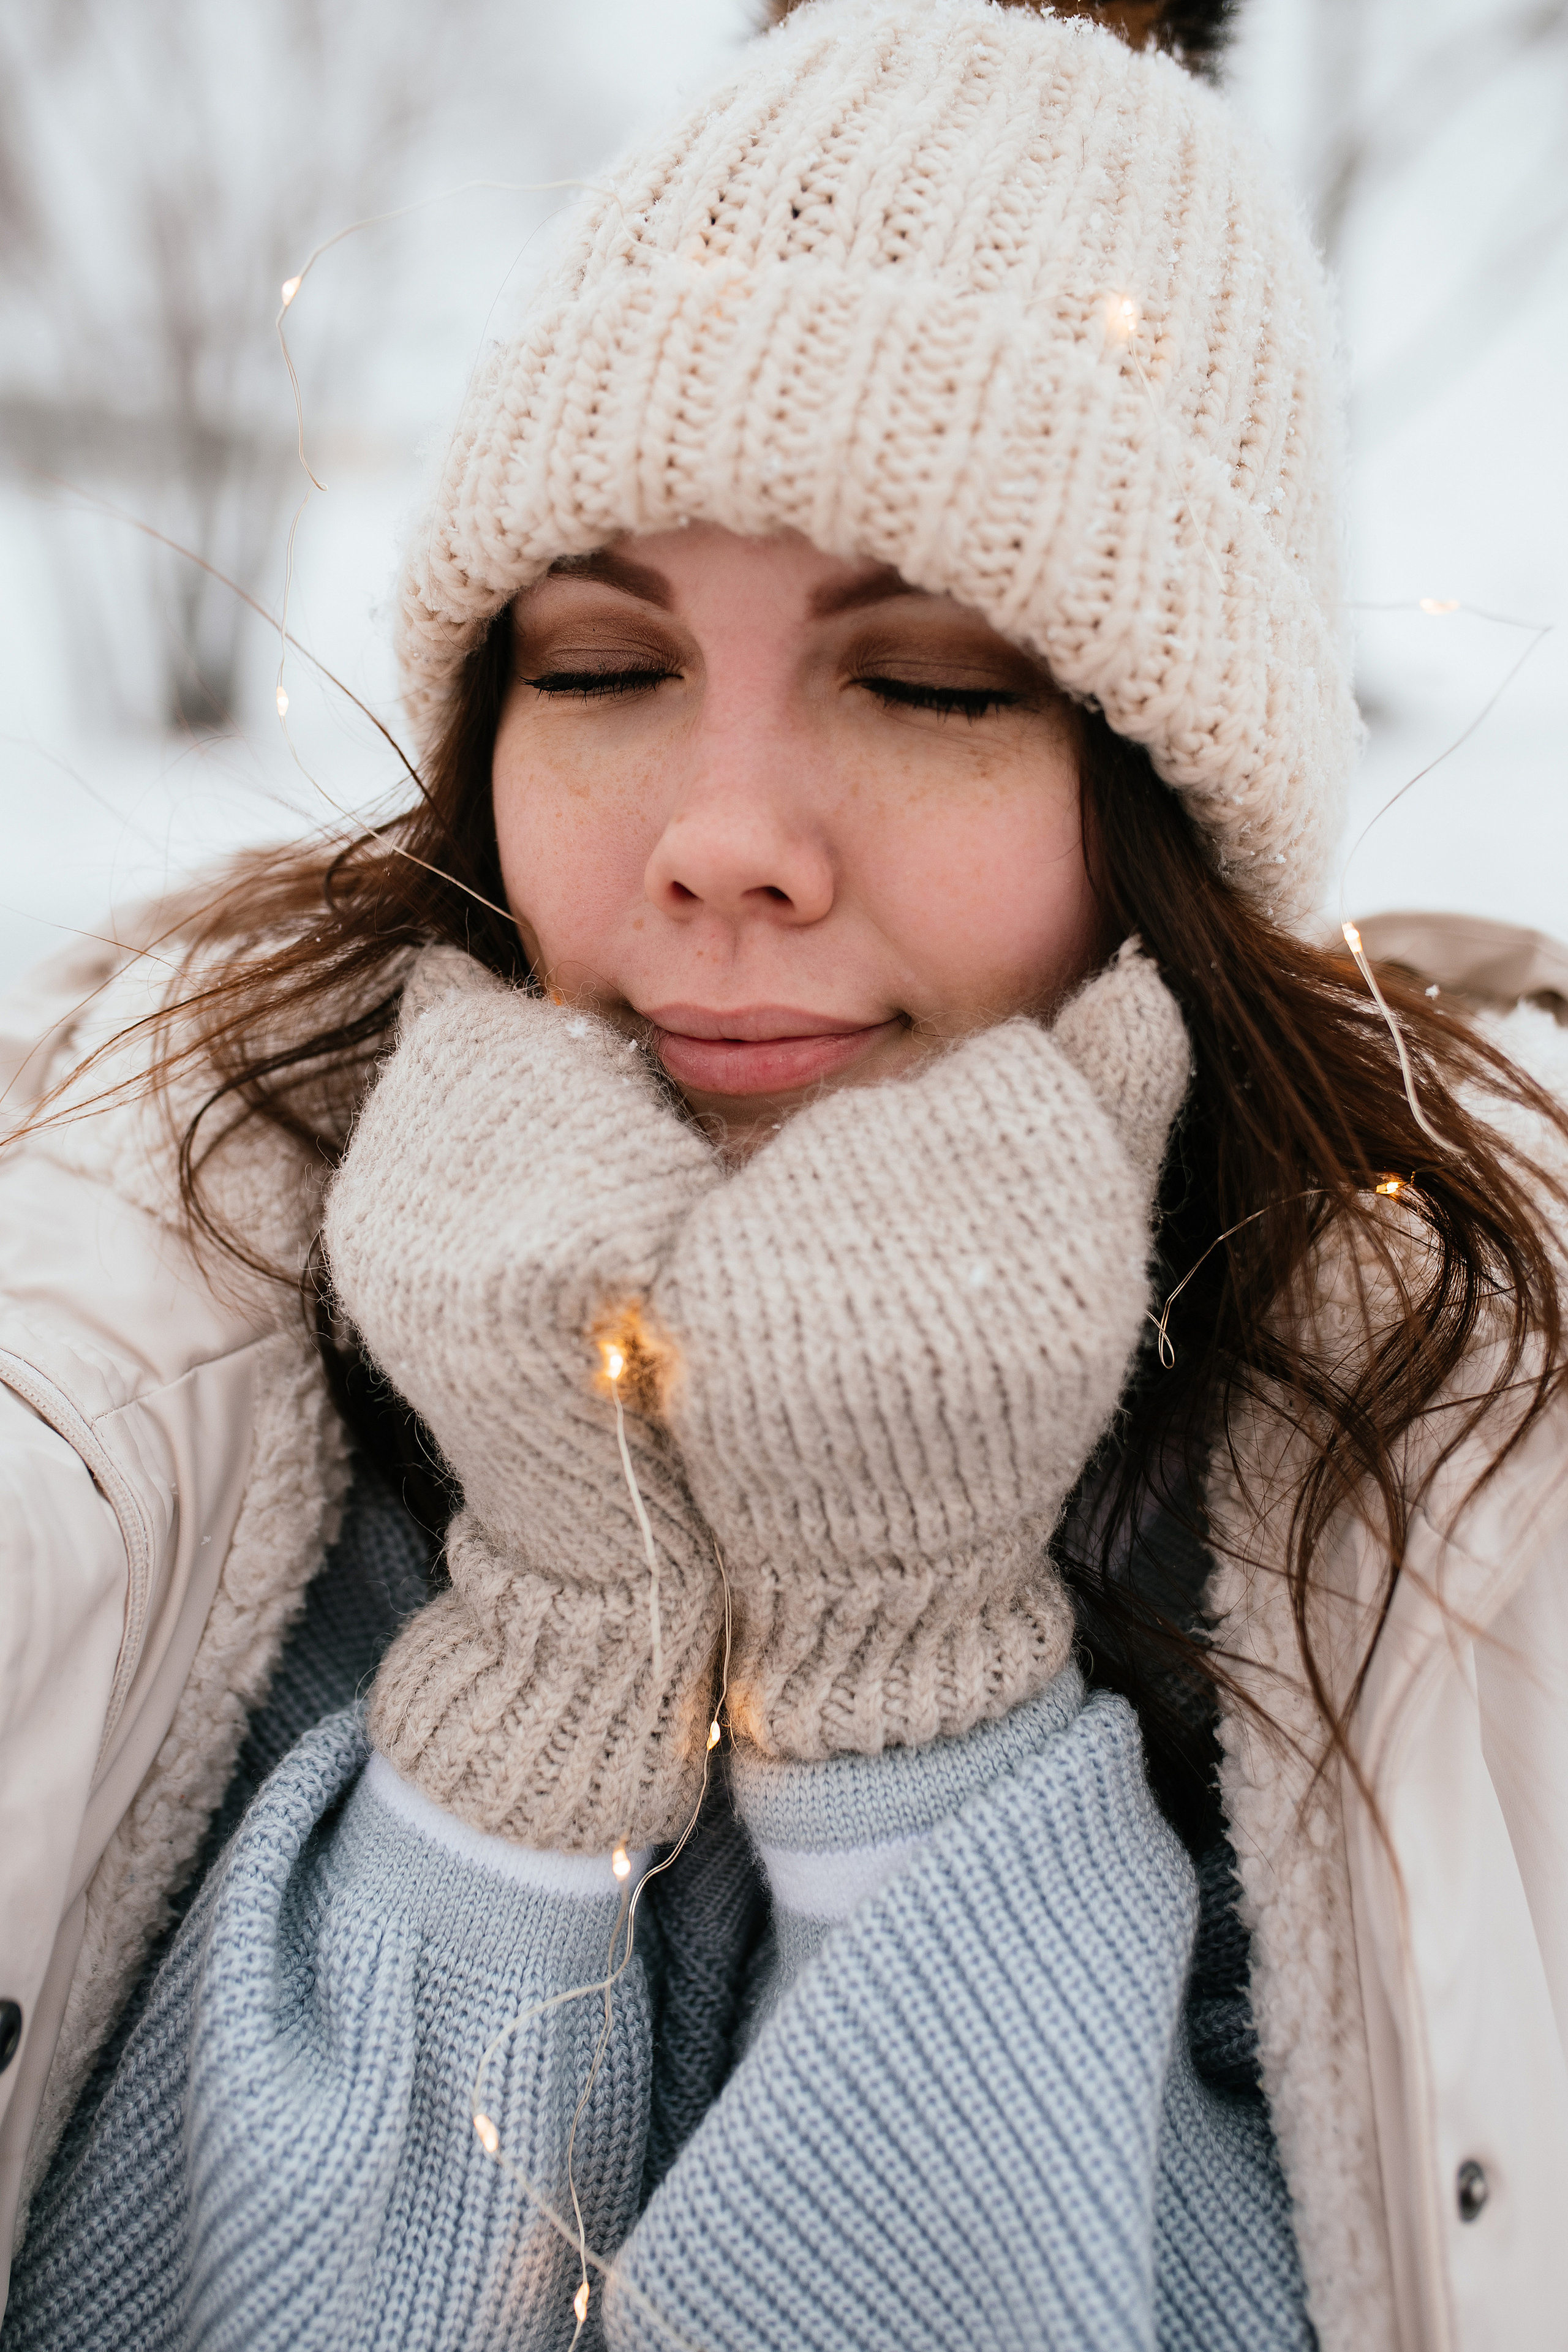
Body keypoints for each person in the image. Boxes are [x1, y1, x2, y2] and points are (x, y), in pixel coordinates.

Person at [1, 1, 1566, 2344]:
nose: (722, 845)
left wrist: (906, 1667)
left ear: (1173, 797)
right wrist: (561, 1617)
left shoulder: (1475, 1505)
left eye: (931, 682)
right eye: (606, 667)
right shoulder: (122, 1336)